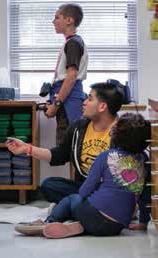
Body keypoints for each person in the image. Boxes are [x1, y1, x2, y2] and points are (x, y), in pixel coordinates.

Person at [40, 113, 151, 238]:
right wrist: (143, 222)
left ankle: (50, 222)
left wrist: (81, 201)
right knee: (91, 214)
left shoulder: (105, 156)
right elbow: (146, 196)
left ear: (115, 134)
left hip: (93, 216)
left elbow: (85, 189)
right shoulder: (145, 160)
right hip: (117, 226)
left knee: (72, 199)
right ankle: (80, 226)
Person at [45, 3, 88, 145]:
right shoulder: (72, 42)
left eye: (57, 17)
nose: (53, 21)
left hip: (69, 102)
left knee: (70, 150)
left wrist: (56, 104)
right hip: (67, 99)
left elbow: (71, 77)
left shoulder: (73, 44)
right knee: (70, 149)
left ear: (69, 20)